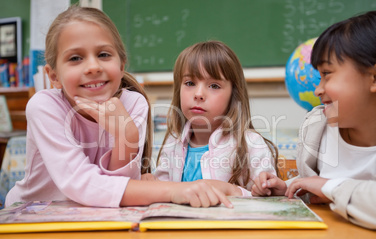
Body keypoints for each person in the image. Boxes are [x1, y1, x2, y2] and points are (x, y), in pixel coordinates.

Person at [5, 5, 231, 209]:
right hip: (30, 214)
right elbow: (83, 184)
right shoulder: (44, 106)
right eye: (75, 58)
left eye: (103, 55)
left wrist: (126, 136)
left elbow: (116, 189)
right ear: (53, 75)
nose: (93, 66)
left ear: (121, 66)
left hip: (91, 215)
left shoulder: (134, 104)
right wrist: (174, 190)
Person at [252, 10, 376, 236]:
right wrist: (289, 189)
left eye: (327, 74)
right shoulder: (317, 130)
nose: (317, 89)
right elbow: (319, 194)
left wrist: (329, 187)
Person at [151, 40, 278, 196]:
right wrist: (151, 184)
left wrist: (236, 191)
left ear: (234, 95)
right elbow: (162, 192)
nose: (198, 94)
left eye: (214, 86)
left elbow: (269, 200)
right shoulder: (173, 142)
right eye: (190, 83)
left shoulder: (251, 145)